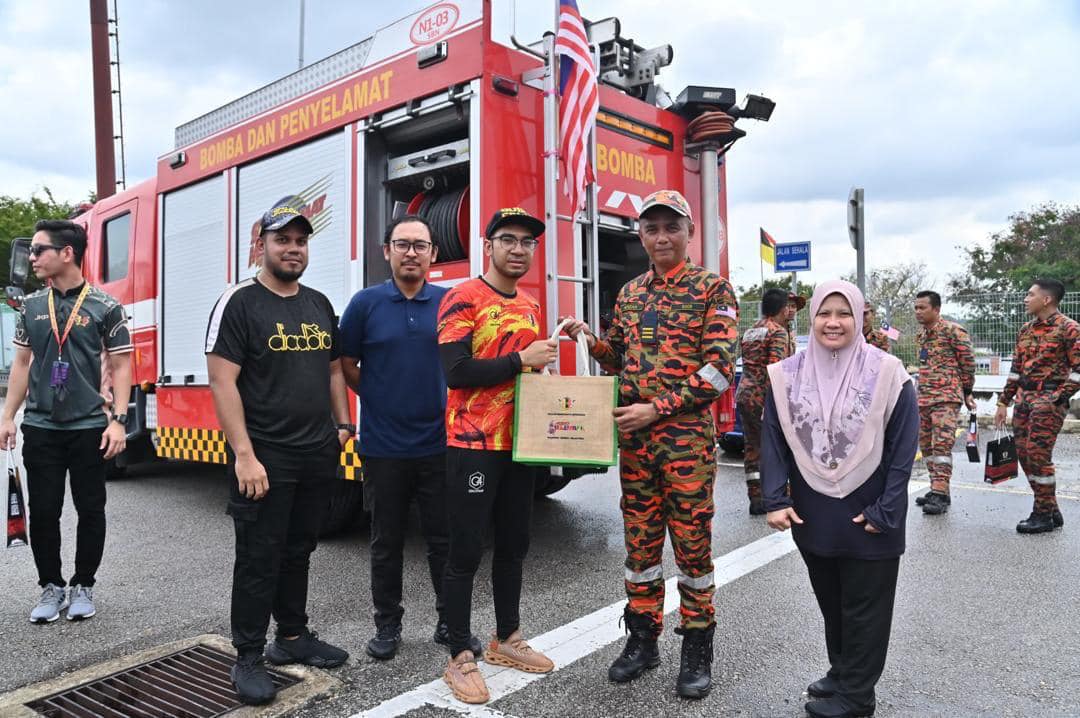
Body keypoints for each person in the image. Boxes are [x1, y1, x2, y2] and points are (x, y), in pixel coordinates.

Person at [565, 189, 738, 699]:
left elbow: (719, 371)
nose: (662, 237)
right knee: (639, 547)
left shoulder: (713, 290)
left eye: (672, 227)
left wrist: (655, 409)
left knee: (692, 548)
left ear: (690, 232)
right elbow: (618, 357)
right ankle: (643, 640)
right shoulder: (630, 293)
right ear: (641, 235)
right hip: (637, 447)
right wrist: (591, 341)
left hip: (685, 445)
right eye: (652, 228)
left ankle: (697, 648)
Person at [206, 197, 352, 706]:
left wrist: (342, 425)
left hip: (316, 452)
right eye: (282, 239)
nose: (293, 248)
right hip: (265, 456)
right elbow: (222, 382)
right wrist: (244, 455)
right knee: (258, 556)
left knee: (299, 549)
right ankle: (247, 656)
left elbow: (333, 370)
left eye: (300, 241)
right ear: (260, 245)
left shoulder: (318, 304)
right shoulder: (239, 302)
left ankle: (291, 637)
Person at [762, 280, 918, 718]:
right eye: (824, 313)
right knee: (832, 602)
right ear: (811, 318)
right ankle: (843, 672)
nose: (833, 322)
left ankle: (857, 696)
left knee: (866, 608)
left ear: (859, 318)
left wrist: (886, 509)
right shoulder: (786, 374)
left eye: (844, 313)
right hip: (814, 509)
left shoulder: (888, 372)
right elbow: (772, 438)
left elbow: (903, 447)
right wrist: (774, 498)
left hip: (871, 510)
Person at [339, 215, 483, 661]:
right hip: (383, 447)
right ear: (387, 251)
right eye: (402, 244)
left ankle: (449, 622)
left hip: (440, 444)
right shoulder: (364, 304)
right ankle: (387, 625)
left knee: (444, 540)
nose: (411, 253)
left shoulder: (449, 302)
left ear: (433, 254)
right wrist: (378, 395)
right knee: (386, 542)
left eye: (420, 245)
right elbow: (346, 364)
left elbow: (470, 361)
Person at [436, 208, 558, 705]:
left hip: (520, 445)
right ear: (488, 246)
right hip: (473, 446)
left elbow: (524, 375)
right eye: (508, 239)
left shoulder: (530, 305)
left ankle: (507, 638)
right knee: (465, 550)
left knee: (514, 544)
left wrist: (542, 373)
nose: (518, 249)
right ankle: (458, 656)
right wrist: (520, 359)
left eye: (527, 242)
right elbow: (456, 371)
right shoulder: (462, 297)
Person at [0, 220, 131, 624]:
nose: (32, 258)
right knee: (44, 511)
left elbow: (122, 366)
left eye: (39, 250)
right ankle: (51, 586)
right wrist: (7, 416)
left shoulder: (106, 307)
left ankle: (83, 585)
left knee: (91, 509)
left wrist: (119, 421)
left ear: (67, 253)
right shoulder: (31, 306)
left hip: (90, 427)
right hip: (42, 427)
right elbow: (22, 364)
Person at [994, 279, 1080, 534]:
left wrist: (1058, 397)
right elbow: (1015, 370)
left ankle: (1042, 514)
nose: (1025, 299)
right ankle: (1050, 508)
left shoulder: (1069, 328)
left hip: (1048, 401)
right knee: (1024, 454)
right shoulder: (1026, 330)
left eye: (1030, 295)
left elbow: (1079, 369)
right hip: (1024, 399)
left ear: (1046, 299)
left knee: (1038, 455)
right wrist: (1003, 401)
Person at [913, 290, 976, 515]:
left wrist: (967, 391)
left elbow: (968, 363)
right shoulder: (922, 335)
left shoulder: (953, 331)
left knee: (941, 445)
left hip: (946, 397)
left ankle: (940, 493)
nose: (918, 312)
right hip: (924, 398)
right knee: (927, 446)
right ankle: (937, 488)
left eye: (922, 308)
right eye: (916, 308)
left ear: (936, 309)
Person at [735, 287, 791, 515]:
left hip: (745, 395)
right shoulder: (778, 332)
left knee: (752, 446)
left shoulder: (750, 331)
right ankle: (778, 496)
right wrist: (776, 404)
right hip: (764, 397)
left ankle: (756, 498)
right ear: (783, 309)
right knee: (776, 446)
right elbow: (775, 369)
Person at [786, 291, 806, 356]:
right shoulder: (774, 329)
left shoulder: (789, 329)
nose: (790, 310)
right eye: (787, 306)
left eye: (793, 306)